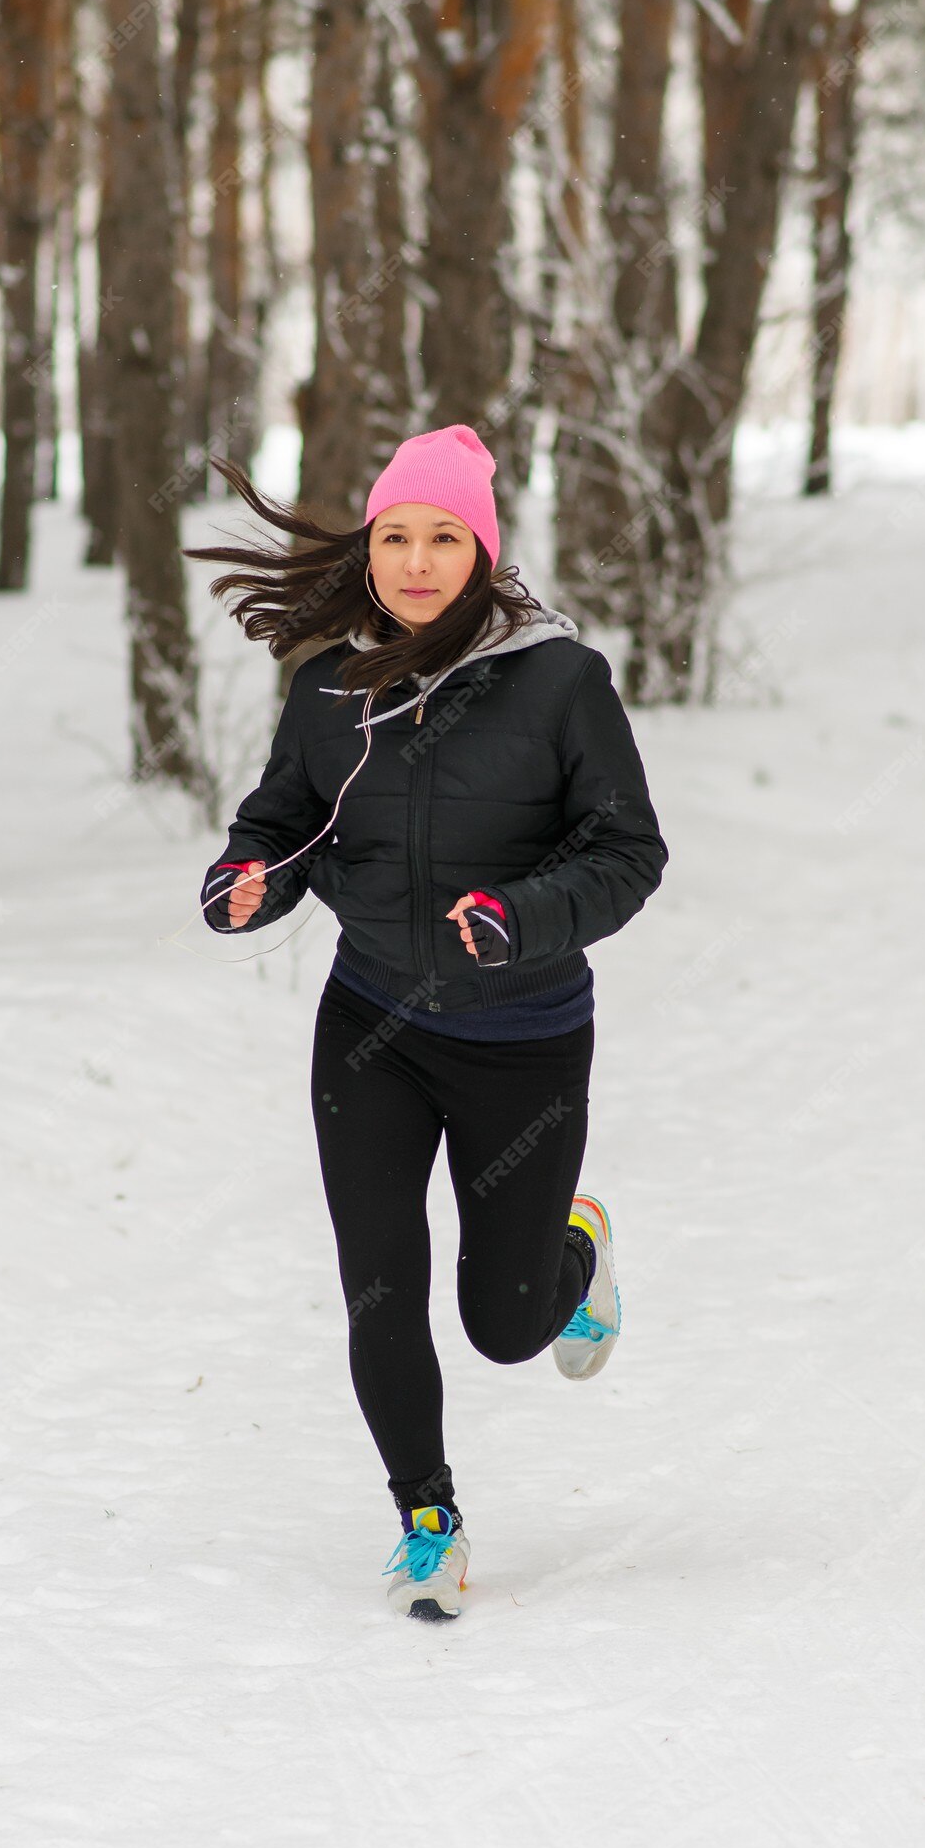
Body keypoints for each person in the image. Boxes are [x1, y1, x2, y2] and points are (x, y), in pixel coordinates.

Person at [187, 424, 669, 1622]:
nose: (413, 560)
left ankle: (572, 1253)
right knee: (377, 1285)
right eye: (395, 535)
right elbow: (284, 821)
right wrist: (247, 879)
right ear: (369, 547)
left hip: (524, 1041)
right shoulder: (330, 689)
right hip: (372, 1030)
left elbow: (628, 850)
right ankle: (426, 1515)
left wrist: (523, 915)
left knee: (504, 1324)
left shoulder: (561, 680)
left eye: (441, 536)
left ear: (481, 550)